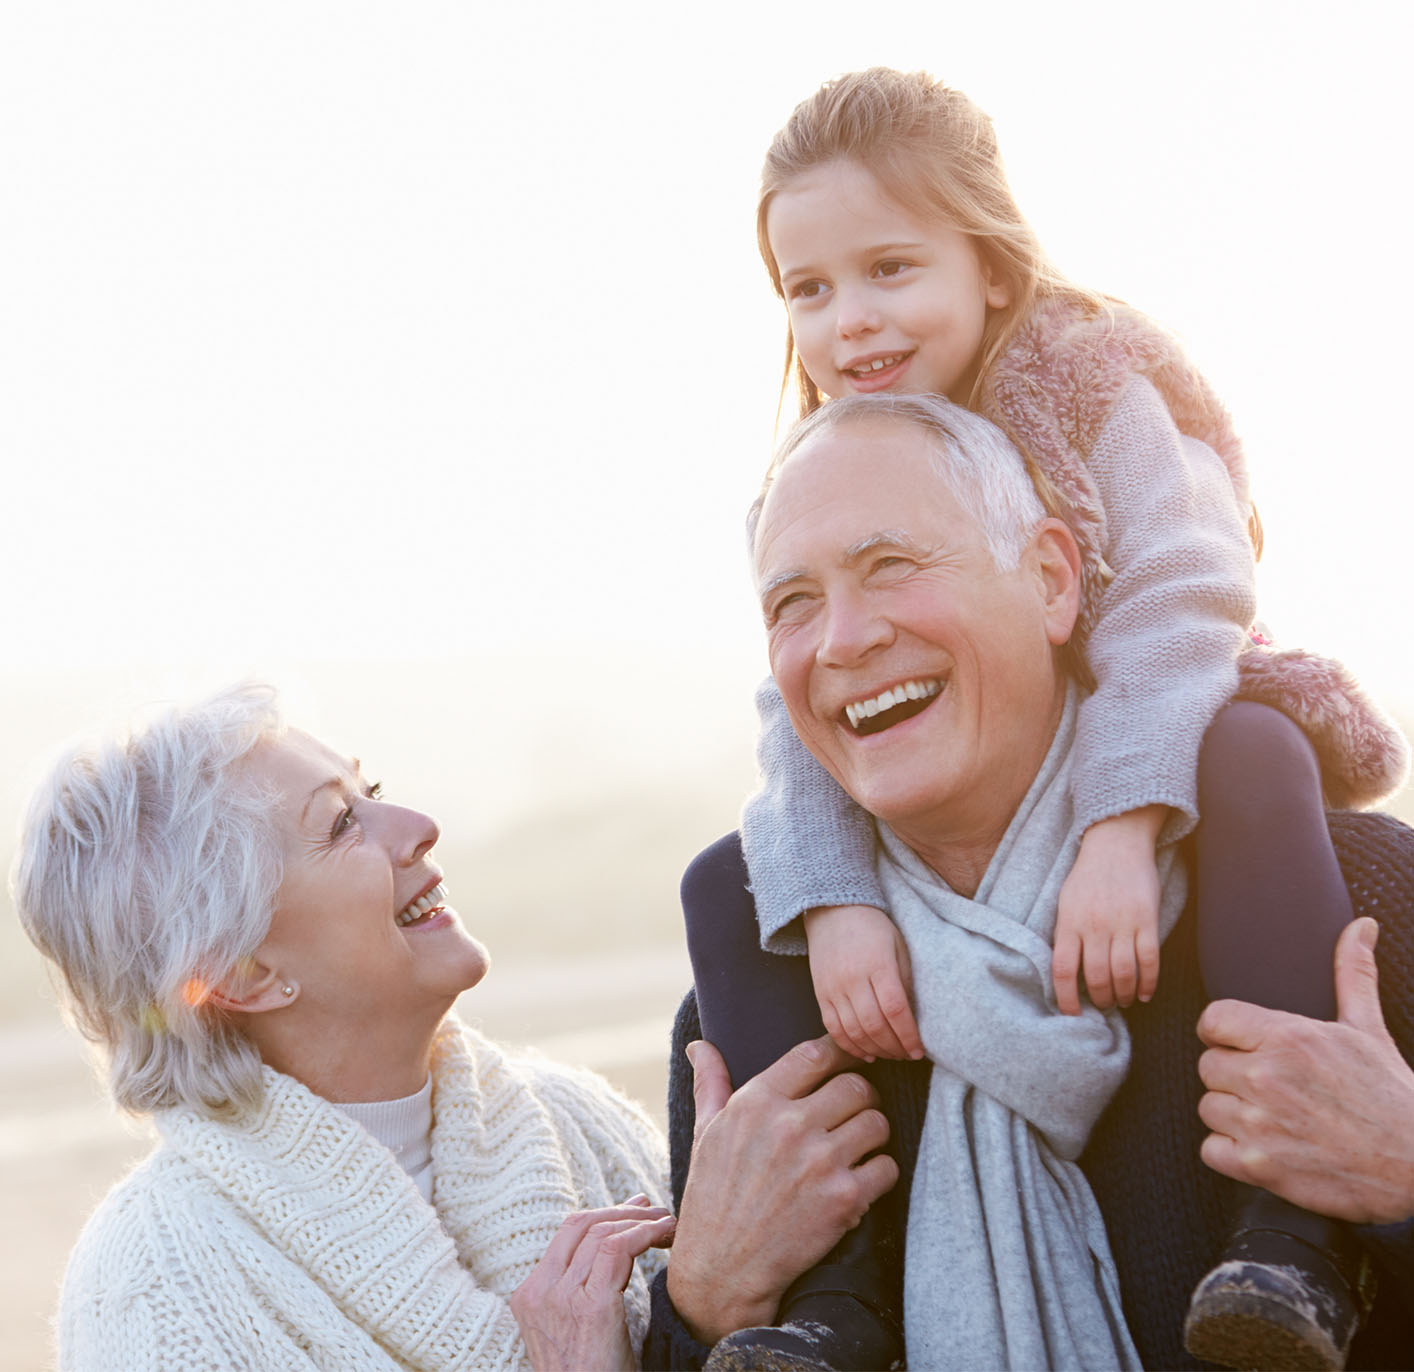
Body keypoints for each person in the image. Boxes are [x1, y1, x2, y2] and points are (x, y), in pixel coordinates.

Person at [684, 66, 1406, 1372]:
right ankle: (824, 1306)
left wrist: (1122, 827)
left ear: (993, 268)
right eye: (807, 289)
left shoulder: (1087, 381)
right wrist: (836, 900)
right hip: (967, 861)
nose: (849, 322)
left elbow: (1184, 591)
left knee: (1250, 749)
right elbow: (796, 720)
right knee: (733, 881)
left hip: (1172, 719)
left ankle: (1299, 1232)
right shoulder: (814, 469)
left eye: (890, 268)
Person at [14, 684, 893, 1371]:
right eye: (340, 824)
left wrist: (705, 1313)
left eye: (377, 791)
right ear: (242, 973)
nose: (420, 828)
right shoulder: (154, 1289)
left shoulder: (574, 1120)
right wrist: (705, 1297)